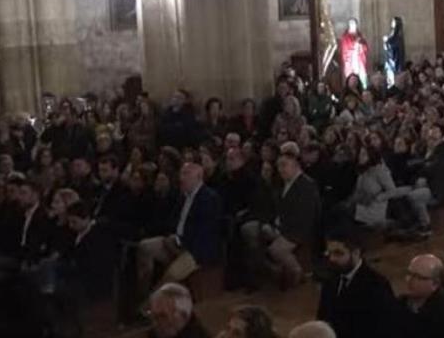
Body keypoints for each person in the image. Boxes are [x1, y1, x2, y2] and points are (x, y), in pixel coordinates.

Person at [240, 144, 321, 290]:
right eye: (279, 166)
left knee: (276, 250)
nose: (280, 169)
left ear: (296, 165)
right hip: (281, 226)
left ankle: (296, 272)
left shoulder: (306, 186)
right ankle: (267, 273)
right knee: (250, 231)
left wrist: (280, 231)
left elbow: (304, 218)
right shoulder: (284, 183)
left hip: (298, 231)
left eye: (284, 165)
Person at [137, 163, 222, 300]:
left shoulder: (209, 198)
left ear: (199, 177)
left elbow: (203, 233)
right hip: (175, 240)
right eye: (181, 173)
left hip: (196, 250)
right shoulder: (183, 196)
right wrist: (170, 237)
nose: (181, 178)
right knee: (145, 247)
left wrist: (178, 242)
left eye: (186, 174)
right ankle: (142, 294)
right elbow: (173, 220)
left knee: (172, 274)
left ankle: (150, 306)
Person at [316, 230, 395, 338]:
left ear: (356, 253)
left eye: (338, 253)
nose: (332, 259)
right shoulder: (331, 278)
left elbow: (383, 329)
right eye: (329, 253)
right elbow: (322, 318)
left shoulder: (377, 285)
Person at [397, 254, 444, 338]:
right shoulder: (399, 303)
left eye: (417, 277)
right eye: (409, 274)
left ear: (435, 284)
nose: (409, 280)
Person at [339, 18, 369, 89]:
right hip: (351, 61)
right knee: (351, 78)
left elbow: (366, 47)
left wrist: (360, 45)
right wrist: (354, 45)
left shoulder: (360, 36)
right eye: (351, 24)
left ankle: (363, 88)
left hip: (359, 60)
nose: (353, 25)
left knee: (362, 77)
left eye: (354, 24)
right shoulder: (345, 37)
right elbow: (345, 50)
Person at [383, 16, 405, 88]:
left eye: (393, 21)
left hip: (394, 58)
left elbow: (396, 46)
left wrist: (387, 42)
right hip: (389, 57)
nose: (392, 23)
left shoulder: (398, 35)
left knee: (394, 78)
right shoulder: (392, 33)